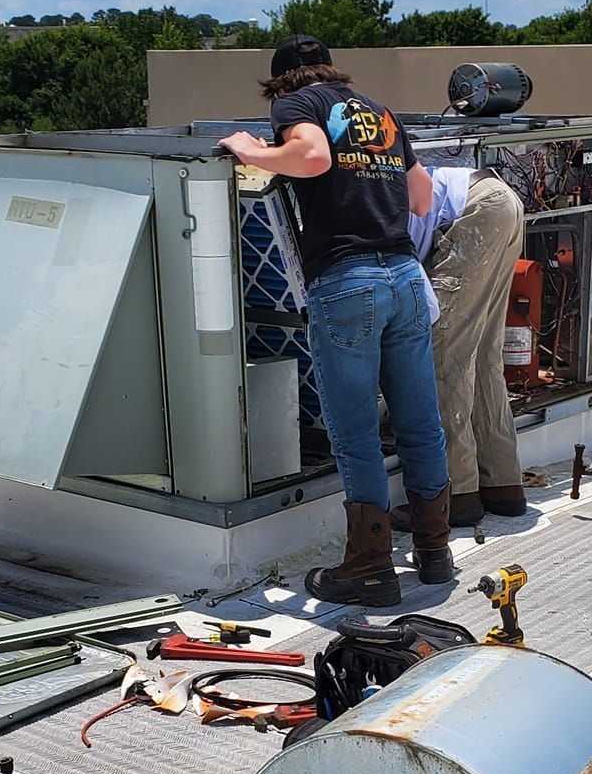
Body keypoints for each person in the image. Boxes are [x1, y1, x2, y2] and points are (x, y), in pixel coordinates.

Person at [220, 36, 452, 605]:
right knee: (420, 423)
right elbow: (421, 198)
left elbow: (314, 156)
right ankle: (434, 552)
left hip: (348, 282)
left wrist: (251, 152)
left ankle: (370, 567)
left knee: (355, 436)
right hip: (403, 276)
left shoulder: (296, 105)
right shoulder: (379, 112)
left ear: (280, 82)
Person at [398, 159, 528, 525]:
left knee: (445, 355)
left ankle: (455, 494)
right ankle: (503, 485)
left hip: (472, 211)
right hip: (498, 199)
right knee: (484, 354)